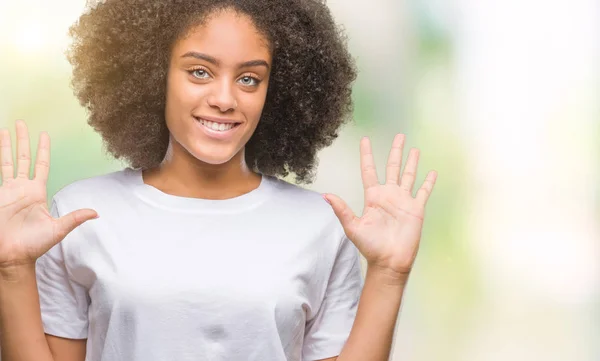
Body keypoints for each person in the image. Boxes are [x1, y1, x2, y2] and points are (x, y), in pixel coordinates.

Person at [0, 0, 437, 360]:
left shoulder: (319, 225)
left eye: (249, 79)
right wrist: (12, 267)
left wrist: (389, 274)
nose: (225, 99)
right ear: (155, 74)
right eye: (199, 72)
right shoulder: (84, 213)